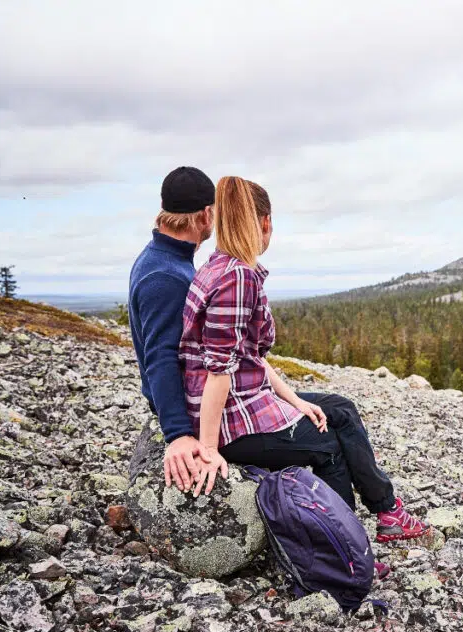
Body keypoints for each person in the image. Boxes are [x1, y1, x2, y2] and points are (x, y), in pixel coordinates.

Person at [179, 176, 431, 552]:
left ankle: (387, 512)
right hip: (232, 418)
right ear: (263, 223)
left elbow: (249, 357)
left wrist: (295, 401)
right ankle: (348, 548)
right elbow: (219, 371)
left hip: (243, 400)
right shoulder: (238, 278)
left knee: (338, 410)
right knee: (329, 444)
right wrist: (210, 448)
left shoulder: (218, 266)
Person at [128, 166, 216, 492]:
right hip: (188, 407)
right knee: (335, 420)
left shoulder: (163, 259)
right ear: (206, 214)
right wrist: (178, 434)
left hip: (190, 396)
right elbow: (161, 356)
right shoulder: (165, 274)